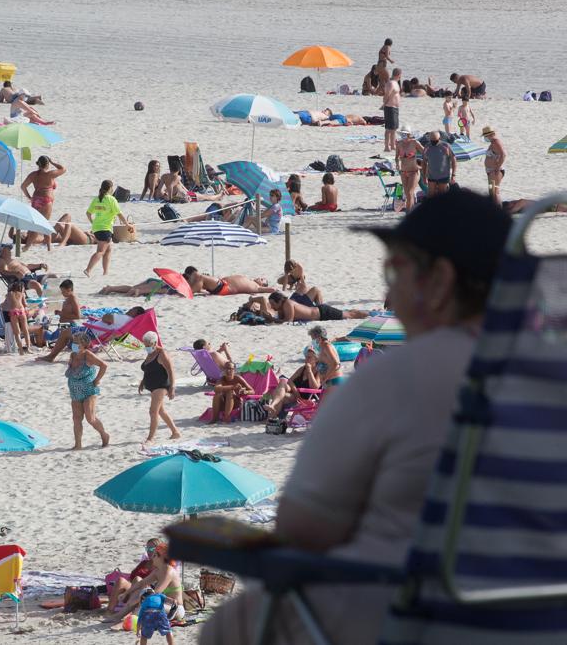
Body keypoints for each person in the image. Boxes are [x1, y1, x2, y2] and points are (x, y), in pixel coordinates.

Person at [199, 189, 512, 645]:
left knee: (231, 626)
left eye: (395, 271)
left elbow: (301, 529)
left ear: (441, 279)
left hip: (432, 614)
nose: (388, 290)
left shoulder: (397, 381)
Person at [66, 332, 110, 449]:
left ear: (84, 345)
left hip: (89, 391)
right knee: (76, 419)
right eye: (73, 342)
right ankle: (78, 445)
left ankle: (104, 435)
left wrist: (97, 380)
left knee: (90, 418)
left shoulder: (88, 355)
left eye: (77, 343)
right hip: (75, 392)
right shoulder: (72, 355)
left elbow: (104, 365)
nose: (74, 345)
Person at [138, 332, 180, 442]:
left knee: (153, 411)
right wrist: (142, 381)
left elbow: (171, 371)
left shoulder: (162, 354)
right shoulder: (151, 352)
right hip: (152, 385)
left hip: (161, 385)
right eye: (145, 345)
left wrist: (172, 387)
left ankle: (150, 438)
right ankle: (175, 432)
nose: (147, 347)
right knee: (161, 411)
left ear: (155, 343)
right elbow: (148, 368)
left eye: (148, 345)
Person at [85, 180, 130, 276]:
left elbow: (88, 213)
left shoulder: (97, 199)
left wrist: (92, 222)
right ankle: (88, 269)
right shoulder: (111, 199)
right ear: (110, 189)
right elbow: (119, 214)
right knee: (101, 251)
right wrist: (127, 224)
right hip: (105, 229)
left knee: (108, 249)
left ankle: (105, 272)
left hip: (97, 228)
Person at [262, 349, 322, 419]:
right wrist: (296, 391)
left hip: (306, 398)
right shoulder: (302, 369)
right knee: (282, 382)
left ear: (316, 359)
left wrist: (309, 371)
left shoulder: (319, 371)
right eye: (306, 357)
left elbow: (315, 387)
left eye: (309, 357)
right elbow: (290, 380)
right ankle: (273, 409)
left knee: (280, 395)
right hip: (295, 395)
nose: (306, 359)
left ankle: (274, 415)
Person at [263, 292, 368, 323]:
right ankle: (366, 312)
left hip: (322, 312)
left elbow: (288, 321)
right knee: (346, 313)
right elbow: (281, 319)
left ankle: (369, 314)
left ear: (279, 300)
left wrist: (271, 319)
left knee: (349, 315)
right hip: (319, 314)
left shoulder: (287, 304)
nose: (271, 306)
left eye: (272, 303)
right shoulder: (281, 308)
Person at [183, 267, 274, 296]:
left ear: (263, 285)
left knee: (200, 277)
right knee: (199, 277)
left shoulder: (257, 287)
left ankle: (189, 291)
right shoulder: (250, 280)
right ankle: (189, 283)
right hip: (221, 284)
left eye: (262, 280)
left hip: (223, 286)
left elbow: (271, 289)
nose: (259, 278)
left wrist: (276, 290)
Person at [4, 281, 33, 354]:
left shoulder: (9, 294)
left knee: (17, 333)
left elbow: (5, 304)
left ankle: (21, 350)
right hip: (21, 311)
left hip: (13, 312)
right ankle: (28, 348)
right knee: (26, 331)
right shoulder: (22, 294)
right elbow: (25, 304)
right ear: (21, 288)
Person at [381, 68, 402, 153]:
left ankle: (392, 145)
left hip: (395, 108)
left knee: (394, 128)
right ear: (398, 74)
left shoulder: (396, 83)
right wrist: (384, 105)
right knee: (389, 128)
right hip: (389, 107)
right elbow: (386, 95)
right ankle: (386, 146)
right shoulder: (390, 83)